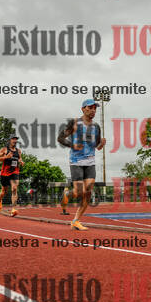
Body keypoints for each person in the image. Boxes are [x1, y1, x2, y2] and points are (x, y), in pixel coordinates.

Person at [58, 99, 106, 230]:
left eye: (95, 108)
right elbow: (60, 138)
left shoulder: (96, 127)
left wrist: (101, 144)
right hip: (76, 161)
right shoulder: (74, 123)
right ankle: (67, 194)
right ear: (83, 109)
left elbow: (97, 146)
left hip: (90, 162)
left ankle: (76, 220)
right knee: (79, 192)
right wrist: (72, 145)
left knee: (88, 192)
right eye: (90, 108)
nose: (93, 110)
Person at [0, 134, 24, 217]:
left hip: (15, 172)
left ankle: (13, 209)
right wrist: (6, 157)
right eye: (13, 139)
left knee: (14, 188)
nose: (15, 140)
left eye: (16, 139)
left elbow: (19, 158)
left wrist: (21, 161)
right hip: (5, 173)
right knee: (4, 191)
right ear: (9, 140)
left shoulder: (18, 151)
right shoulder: (4, 149)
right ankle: (0, 200)